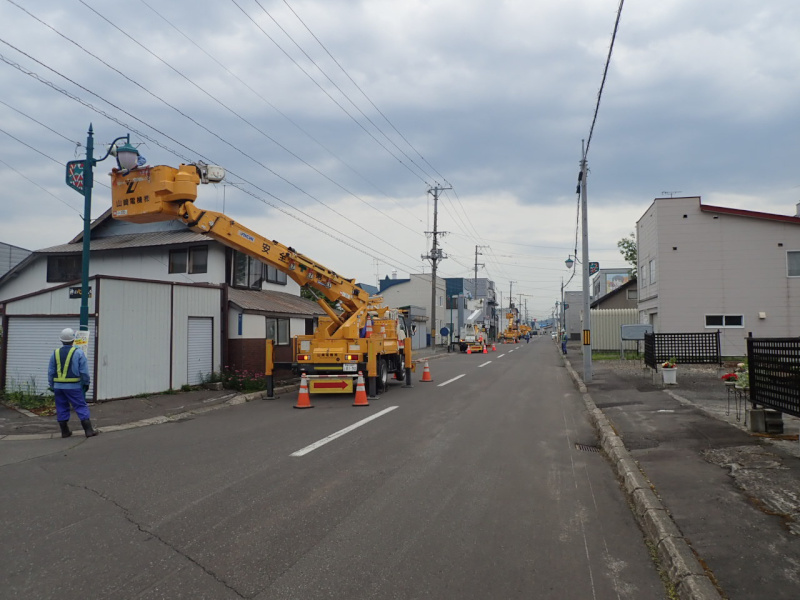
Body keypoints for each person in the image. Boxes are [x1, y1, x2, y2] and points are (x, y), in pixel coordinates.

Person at [48, 328, 98, 438]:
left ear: (61, 340)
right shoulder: (78, 352)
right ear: (73, 339)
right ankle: (88, 430)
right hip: (73, 386)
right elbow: (84, 371)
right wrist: (86, 383)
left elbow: (51, 371)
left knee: (61, 406)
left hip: (58, 387)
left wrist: (52, 385)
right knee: (80, 406)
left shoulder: (55, 353)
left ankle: (65, 431)